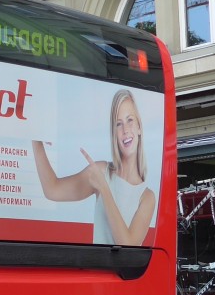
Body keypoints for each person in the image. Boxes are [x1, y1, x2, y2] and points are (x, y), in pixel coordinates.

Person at [32, 89, 155, 246]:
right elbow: (52, 190)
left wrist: (104, 189)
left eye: (130, 120)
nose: (125, 130)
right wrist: (36, 139)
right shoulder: (101, 171)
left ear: (139, 127)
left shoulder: (147, 197)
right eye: (118, 124)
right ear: (114, 133)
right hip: (95, 264)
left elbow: (127, 245)